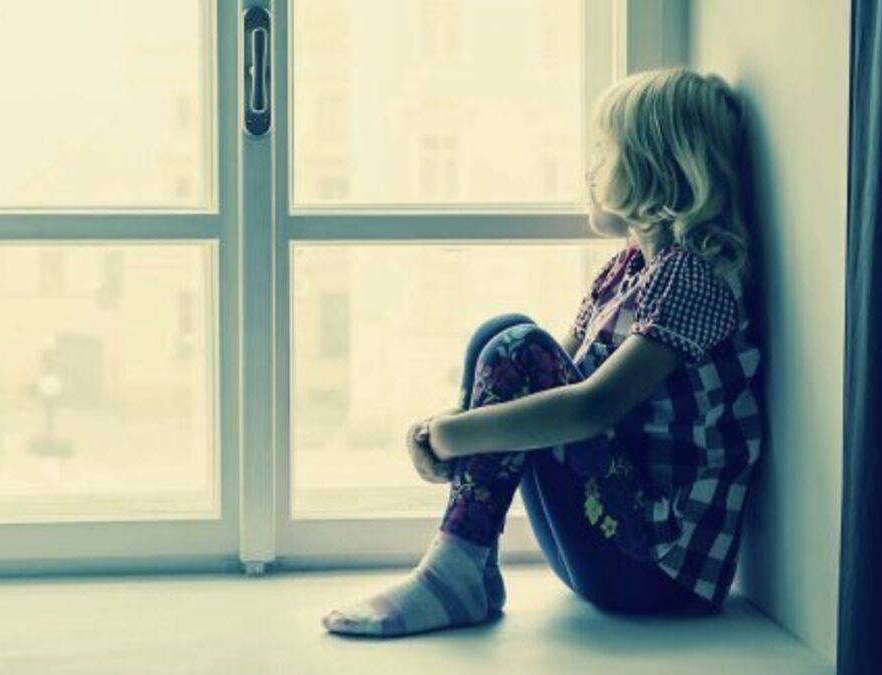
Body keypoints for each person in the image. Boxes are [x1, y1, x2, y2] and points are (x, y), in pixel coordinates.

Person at [323, 68, 763, 637]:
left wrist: (451, 436)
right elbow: (547, 374)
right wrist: (450, 425)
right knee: (504, 333)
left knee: (518, 346)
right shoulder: (628, 270)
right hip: (615, 545)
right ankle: (467, 565)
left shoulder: (695, 278)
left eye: (604, 150)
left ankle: (456, 569)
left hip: (661, 570)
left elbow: (590, 408)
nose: (590, 169)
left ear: (655, 169)